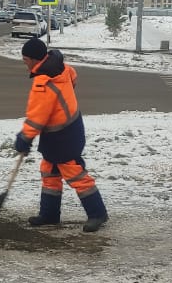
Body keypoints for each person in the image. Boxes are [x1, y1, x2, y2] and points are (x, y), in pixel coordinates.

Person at [13, 37, 109, 232]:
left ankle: (98, 213)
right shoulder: (61, 68)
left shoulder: (44, 82)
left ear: (33, 59)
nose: (25, 64)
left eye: (25, 60)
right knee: (49, 170)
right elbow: (73, 77)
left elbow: (36, 116)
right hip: (67, 128)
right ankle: (49, 214)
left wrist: (25, 137)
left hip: (63, 135)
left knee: (74, 172)